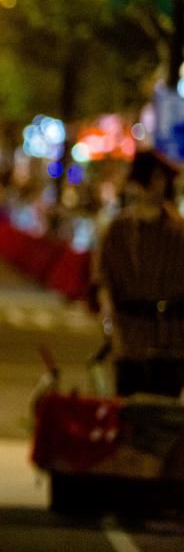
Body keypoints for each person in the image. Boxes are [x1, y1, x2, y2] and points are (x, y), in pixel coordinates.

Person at [95, 149, 184, 398]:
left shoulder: (178, 232)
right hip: (130, 338)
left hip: (171, 340)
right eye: (150, 178)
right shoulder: (118, 231)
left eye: (160, 178)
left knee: (164, 422)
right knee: (129, 417)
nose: (154, 185)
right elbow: (104, 282)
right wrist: (111, 327)